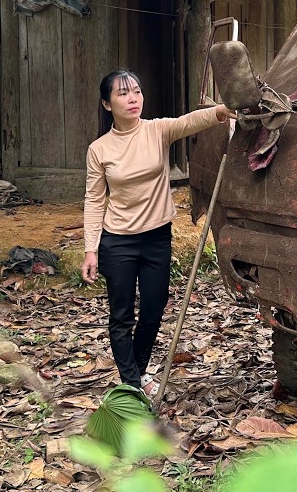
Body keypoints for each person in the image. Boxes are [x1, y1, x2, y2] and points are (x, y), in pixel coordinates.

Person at [81, 70, 232, 394]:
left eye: (136, 91)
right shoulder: (99, 149)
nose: (133, 98)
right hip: (118, 241)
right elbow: (94, 200)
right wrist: (90, 249)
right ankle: (132, 385)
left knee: (154, 307)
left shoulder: (156, 131)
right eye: (123, 94)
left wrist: (221, 111)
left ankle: (135, 370)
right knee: (122, 316)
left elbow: (189, 122)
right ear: (107, 104)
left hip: (156, 238)